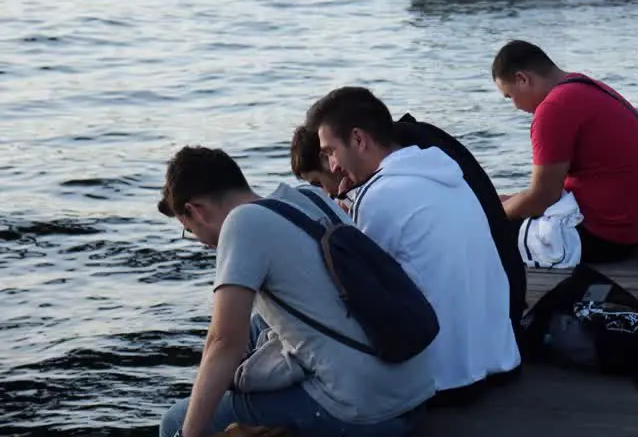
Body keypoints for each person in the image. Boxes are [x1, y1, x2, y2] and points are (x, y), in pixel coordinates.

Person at [156, 146, 433, 437]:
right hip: (413, 395)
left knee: (175, 421)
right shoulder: (308, 197)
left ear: (195, 210)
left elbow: (223, 342)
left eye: (189, 230)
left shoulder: (241, 224)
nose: (199, 241)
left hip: (364, 413)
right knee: (255, 328)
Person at [304, 87, 521, 402]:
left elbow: (354, 292)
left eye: (330, 152)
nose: (333, 166)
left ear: (358, 139)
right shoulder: (442, 172)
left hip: (442, 381)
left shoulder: (379, 196)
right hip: (497, 359)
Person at [290, 118, 528, 338]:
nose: (326, 193)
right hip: (500, 318)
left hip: (457, 346)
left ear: (328, 158)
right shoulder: (425, 156)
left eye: (318, 183)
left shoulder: (383, 191)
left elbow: (370, 282)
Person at [491, 40, 638, 263]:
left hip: (603, 237)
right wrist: (508, 201)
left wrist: (493, 212)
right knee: (505, 205)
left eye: (509, 96)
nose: (515, 106)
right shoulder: (584, 86)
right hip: (631, 228)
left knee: (481, 233)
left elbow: (542, 198)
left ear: (523, 79)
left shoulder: (553, 108)